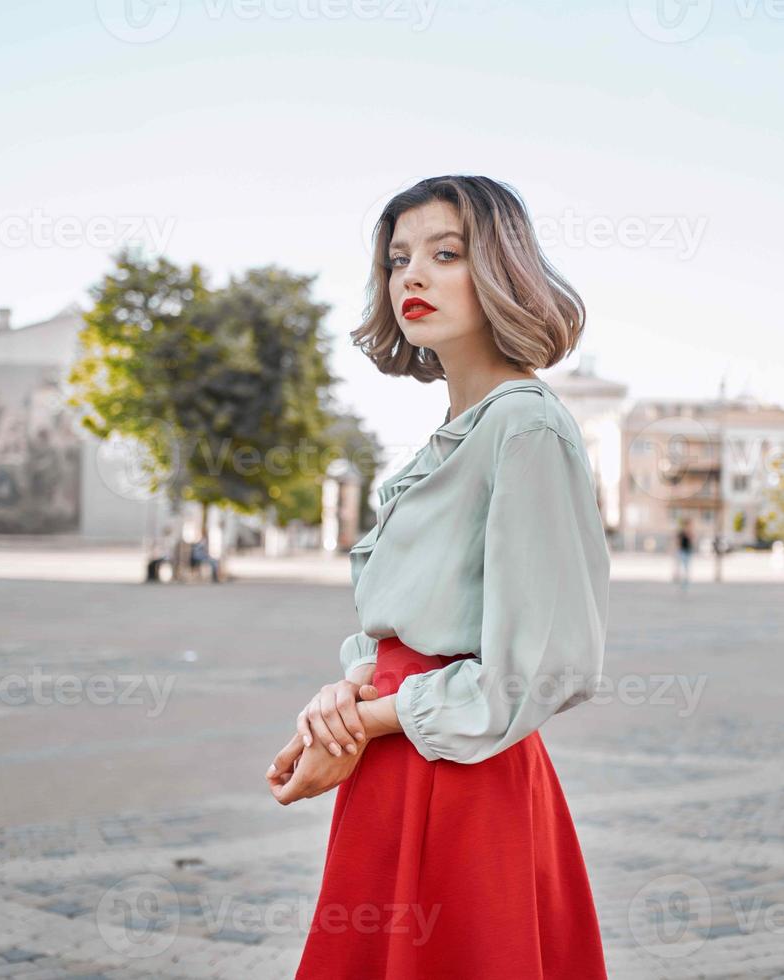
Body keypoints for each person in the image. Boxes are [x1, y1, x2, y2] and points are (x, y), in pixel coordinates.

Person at [265, 176, 610, 979]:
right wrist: (342, 701)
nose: (411, 276)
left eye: (445, 253)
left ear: (501, 270)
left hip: (460, 779)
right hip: (394, 762)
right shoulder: (452, 437)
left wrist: (368, 720)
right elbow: (401, 629)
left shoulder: (525, 425)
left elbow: (543, 667)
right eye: (397, 259)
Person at [674, 517, 694, 591]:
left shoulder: (689, 532)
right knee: (680, 568)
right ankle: (680, 583)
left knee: (686, 569)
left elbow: (691, 540)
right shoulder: (681, 532)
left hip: (688, 551)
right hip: (682, 551)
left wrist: (689, 533)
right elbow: (677, 541)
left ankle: (685, 584)